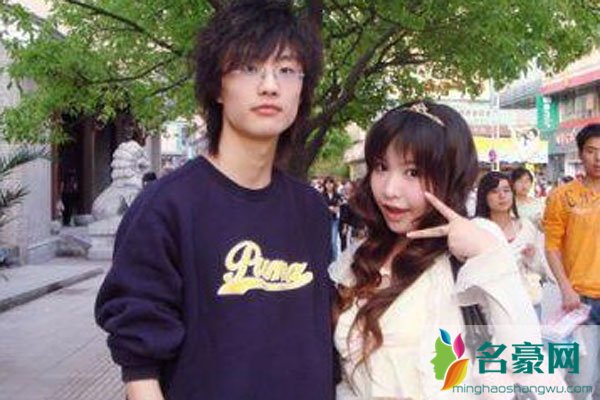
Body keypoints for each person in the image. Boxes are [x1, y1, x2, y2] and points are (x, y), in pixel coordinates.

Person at [95, 1, 334, 399]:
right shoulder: (166, 207)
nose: (270, 85)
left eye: (287, 69)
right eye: (250, 67)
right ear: (217, 87)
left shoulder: (310, 210)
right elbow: (140, 370)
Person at [329, 101, 570, 400]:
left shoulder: (472, 248)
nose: (390, 189)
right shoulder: (363, 256)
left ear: (451, 175)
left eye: (413, 172)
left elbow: (525, 355)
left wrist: (489, 256)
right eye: (381, 167)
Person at [543, 123, 600, 400]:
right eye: (591, 151)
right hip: (581, 300)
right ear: (580, 154)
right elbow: (552, 246)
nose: (598, 158)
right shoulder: (562, 196)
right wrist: (565, 287)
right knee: (582, 380)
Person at [475, 171, 552, 318]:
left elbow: (541, 269)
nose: (502, 196)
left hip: (527, 304)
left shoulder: (526, 226)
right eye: (494, 191)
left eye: (506, 190)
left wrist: (531, 257)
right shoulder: (477, 229)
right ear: (484, 196)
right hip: (492, 307)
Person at [322, 176, 344, 260]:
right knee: (326, 241)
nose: (329, 185)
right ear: (324, 185)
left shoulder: (337, 195)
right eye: (327, 183)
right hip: (324, 221)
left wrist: (336, 208)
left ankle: (334, 260)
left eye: (330, 183)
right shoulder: (321, 195)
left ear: (333, 184)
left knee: (333, 241)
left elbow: (339, 207)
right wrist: (329, 208)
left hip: (334, 220)